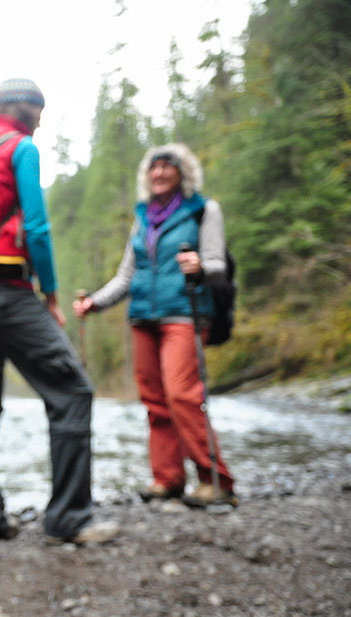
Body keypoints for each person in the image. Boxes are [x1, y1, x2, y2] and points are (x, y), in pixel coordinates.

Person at [0, 78, 119, 545]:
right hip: (7, 290)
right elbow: (39, 228)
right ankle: (69, 517)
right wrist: (50, 294)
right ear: (26, 111)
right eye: (39, 110)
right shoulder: (21, 149)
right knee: (73, 392)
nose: (42, 119)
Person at [73, 143, 238, 508]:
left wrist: (199, 265)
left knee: (182, 396)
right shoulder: (143, 217)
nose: (159, 173)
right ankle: (168, 478)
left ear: (183, 173)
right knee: (154, 401)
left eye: (167, 166)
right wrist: (95, 302)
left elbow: (217, 265)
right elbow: (127, 274)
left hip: (185, 314)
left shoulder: (203, 211)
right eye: (153, 167)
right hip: (143, 317)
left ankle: (217, 480)